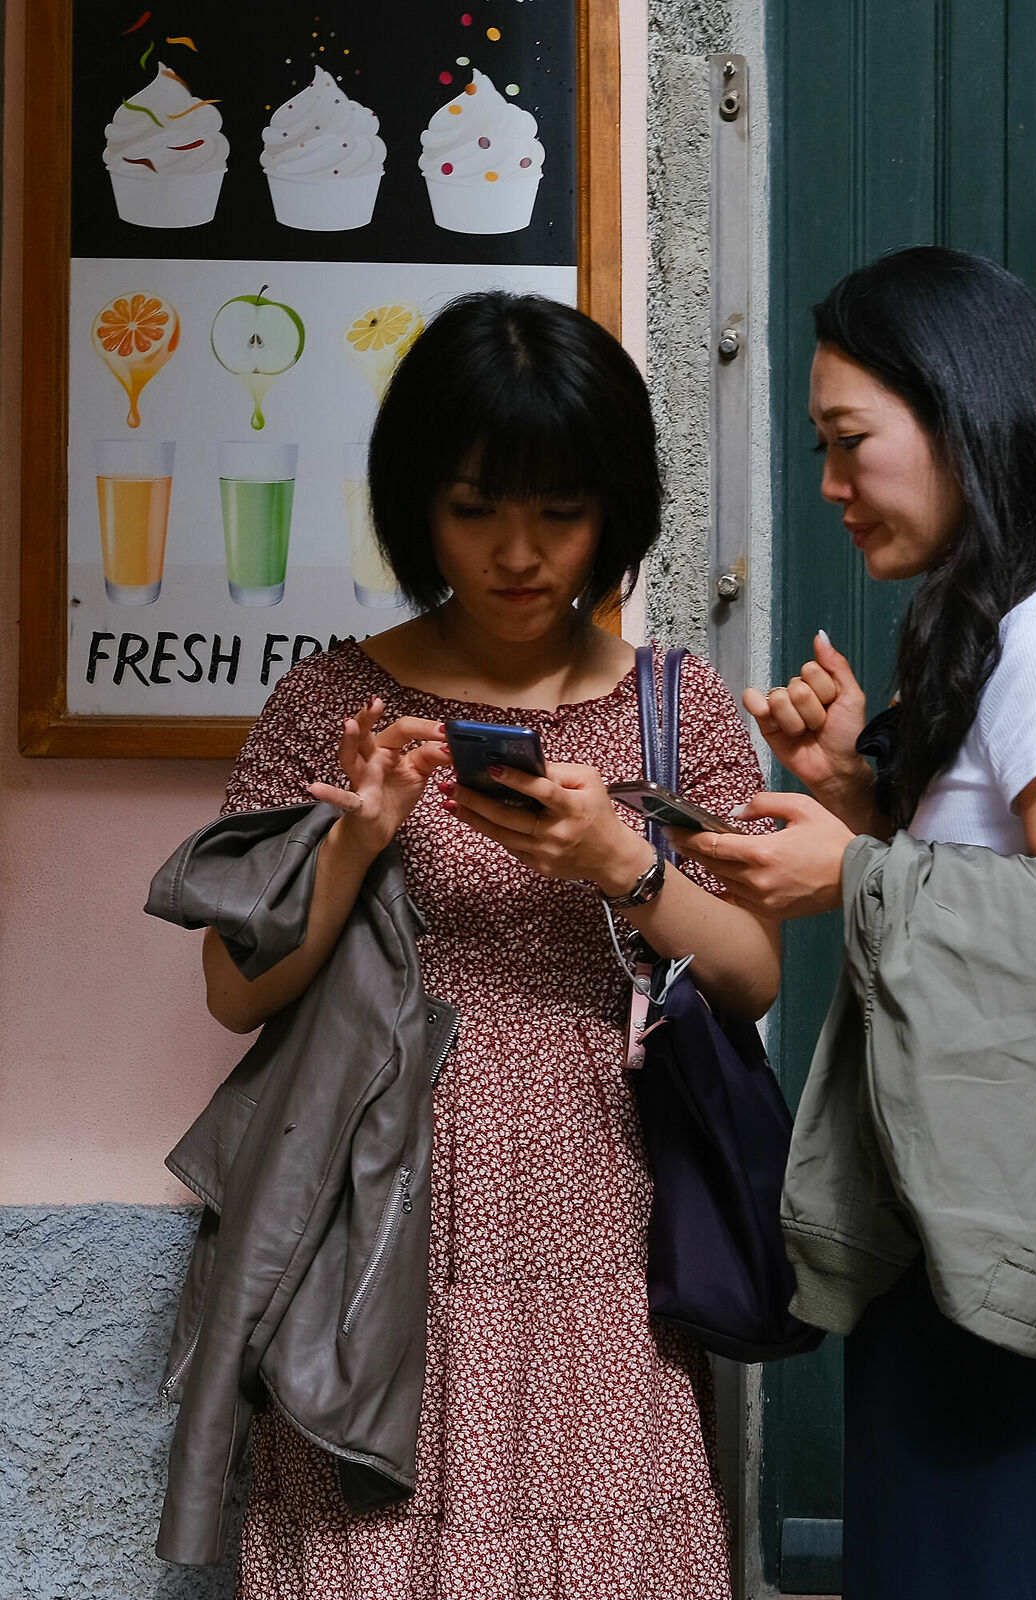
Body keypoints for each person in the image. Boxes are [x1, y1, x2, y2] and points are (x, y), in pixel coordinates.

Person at [201, 290, 779, 1599]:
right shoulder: (335, 701)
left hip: (601, 1200)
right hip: (379, 1197)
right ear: (418, 506)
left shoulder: (673, 706)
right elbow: (234, 990)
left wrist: (620, 865)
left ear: (613, 512)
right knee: (376, 1545)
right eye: (475, 509)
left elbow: (750, 975)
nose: (520, 553)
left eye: (561, 512)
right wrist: (354, 844)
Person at [675, 246, 1036, 1597]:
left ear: (963, 413)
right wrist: (871, 808)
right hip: (965, 1189)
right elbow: (1010, 919)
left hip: (1010, 1193)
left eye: (851, 442)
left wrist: (848, 880)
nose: (830, 486)